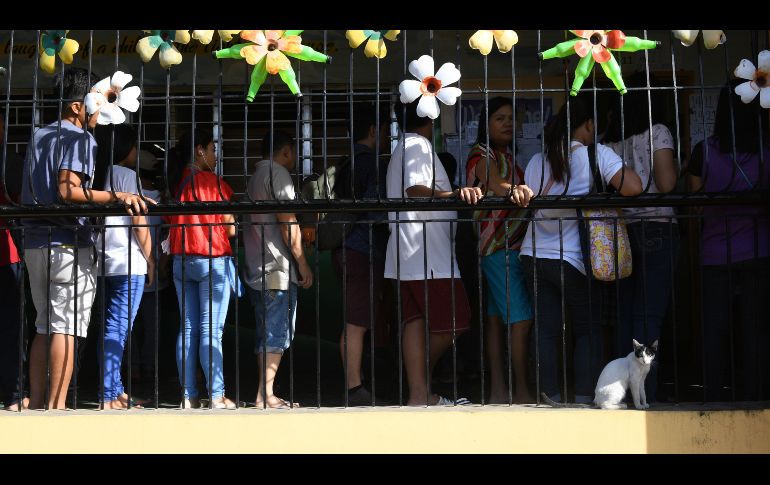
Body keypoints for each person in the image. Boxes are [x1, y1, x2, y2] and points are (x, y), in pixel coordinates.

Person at [21, 68, 151, 410]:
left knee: (44, 326)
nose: (101, 112)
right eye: (96, 103)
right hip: (66, 244)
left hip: (35, 243)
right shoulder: (79, 138)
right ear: (78, 106)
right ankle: (57, 407)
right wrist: (116, 198)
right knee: (66, 328)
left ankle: (36, 403)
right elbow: (68, 189)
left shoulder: (40, 135)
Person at [519, 93, 642, 403]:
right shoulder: (595, 154)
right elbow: (634, 187)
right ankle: (584, 397)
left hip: (533, 255)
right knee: (587, 329)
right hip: (574, 259)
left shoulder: (537, 160)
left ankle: (549, 395)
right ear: (589, 124)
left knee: (545, 329)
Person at [385, 99, 489, 406]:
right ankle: (418, 382)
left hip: (409, 252)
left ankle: (419, 394)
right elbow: (415, 188)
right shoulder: (417, 145)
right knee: (456, 320)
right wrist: (454, 193)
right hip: (428, 254)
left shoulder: (404, 146)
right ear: (429, 116)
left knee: (415, 321)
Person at [686, 80, 770, 401]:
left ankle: (712, 396)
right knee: (756, 330)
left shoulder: (703, 152)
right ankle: (757, 397)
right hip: (760, 251)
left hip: (714, 253)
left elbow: (692, 205)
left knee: (714, 331)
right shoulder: (766, 152)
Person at [602, 73, 679, 403]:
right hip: (658, 228)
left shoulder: (609, 143)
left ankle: (622, 391)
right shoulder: (657, 132)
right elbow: (667, 184)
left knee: (625, 315)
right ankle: (646, 395)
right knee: (649, 315)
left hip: (624, 232)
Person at [465, 97, 535, 404]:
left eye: (511, 118)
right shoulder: (482, 153)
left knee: (495, 322)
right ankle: (521, 392)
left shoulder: (505, 154)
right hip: (499, 248)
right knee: (520, 320)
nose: (508, 123)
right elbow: (494, 184)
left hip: (500, 248)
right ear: (486, 123)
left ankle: (497, 392)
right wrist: (515, 190)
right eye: (500, 118)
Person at [167, 127, 238, 409]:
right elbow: (230, 228)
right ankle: (217, 395)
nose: (215, 155)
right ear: (199, 151)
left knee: (188, 329)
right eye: (212, 148)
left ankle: (188, 395)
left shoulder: (177, 181)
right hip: (212, 258)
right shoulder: (213, 182)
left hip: (181, 260)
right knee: (211, 330)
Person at [243, 130, 312, 409]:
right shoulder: (279, 174)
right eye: (293, 152)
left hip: (256, 265)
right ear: (285, 152)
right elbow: (288, 222)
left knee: (265, 332)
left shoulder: (255, 177)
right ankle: (266, 395)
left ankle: (265, 392)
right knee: (277, 333)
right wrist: (302, 262)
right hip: (277, 268)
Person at [330, 103, 390, 406]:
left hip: (344, 248)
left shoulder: (344, 162)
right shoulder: (371, 163)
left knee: (356, 318)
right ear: (372, 130)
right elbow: (374, 209)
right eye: (383, 129)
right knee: (356, 321)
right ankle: (355, 388)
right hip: (361, 248)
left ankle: (357, 383)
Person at [93, 124, 154, 409]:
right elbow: (139, 222)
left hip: (103, 261)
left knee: (110, 327)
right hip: (129, 260)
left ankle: (115, 390)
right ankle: (108, 395)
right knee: (119, 329)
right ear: (126, 149)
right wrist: (151, 259)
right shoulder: (128, 176)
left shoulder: (96, 174)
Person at [130, 149, 171, 384]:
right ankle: (150, 366)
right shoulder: (162, 200)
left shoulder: (127, 196)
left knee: (129, 324)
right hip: (155, 268)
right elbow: (168, 234)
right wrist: (161, 263)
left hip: (133, 266)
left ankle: (133, 366)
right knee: (153, 325)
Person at [0, 111, 26, 411]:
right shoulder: (11, 161)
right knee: (10, 327)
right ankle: (13, 393)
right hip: (8, 252)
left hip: (9, 251)